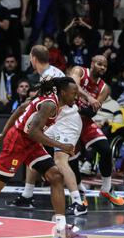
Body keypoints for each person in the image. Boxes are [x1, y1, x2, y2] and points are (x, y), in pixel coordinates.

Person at [0, 76, 87, 238]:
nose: (76, 97)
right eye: (73, 93)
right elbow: (33, 131)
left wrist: (2, 133)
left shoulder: (52, 101)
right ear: (63, 92)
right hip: (18, 142)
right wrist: (61, 146)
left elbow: (20, 109)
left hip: (31, 143)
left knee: (55, 176)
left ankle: (61, 228)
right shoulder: (50, 104)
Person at [6, 45, 88, 216]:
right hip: (57, 120)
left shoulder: (50, 75)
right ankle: (28, 195)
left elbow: (42, 100)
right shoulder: (50, 73)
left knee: (60, 160)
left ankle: (78, 203)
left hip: (67, 121)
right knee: (32, 145)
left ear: (33, 58)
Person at [69, 55, 124, 206]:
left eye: (105, 66)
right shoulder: (79, 71)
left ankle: (106, 188)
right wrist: (89, 98)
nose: (102, 67)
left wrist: (85, 103)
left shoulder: (105, 88)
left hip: (85, 120)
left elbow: (92, 111)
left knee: (105, 149)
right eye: (99, 64)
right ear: (92, 63)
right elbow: (74, 87)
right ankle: (80, 190)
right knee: (72, 157)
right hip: (68, 119)